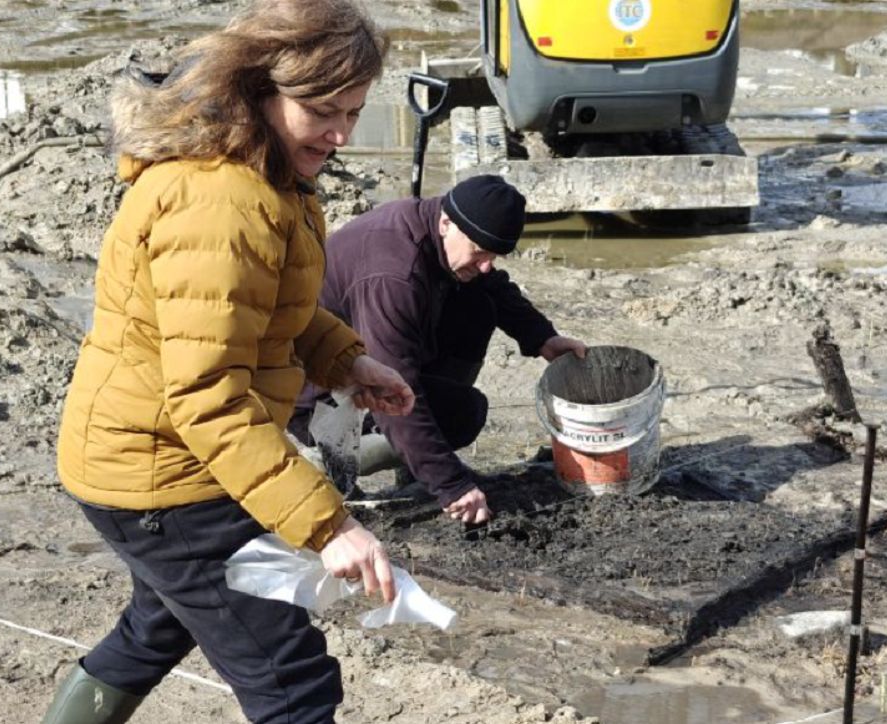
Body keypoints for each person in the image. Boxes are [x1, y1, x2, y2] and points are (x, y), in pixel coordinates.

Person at [42, 3, 414, 723]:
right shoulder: (223, 201)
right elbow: (208, 395)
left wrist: (343, 360)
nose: (340, 135)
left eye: (356, 112)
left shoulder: (264, 169)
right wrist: (331, 527)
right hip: (165, 476)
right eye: (323, 110)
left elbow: (270, 304)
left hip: (144, 459)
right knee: (292, 680)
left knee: (159, 626)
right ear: (262, 90)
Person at [290, 175, 586, 526]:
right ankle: (325, 459)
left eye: (494, 255)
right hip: (316, 401)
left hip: (364, 367)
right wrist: (452, 484)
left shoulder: (438, 226)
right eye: (480, 251)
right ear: (447, 223)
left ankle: (416, 464)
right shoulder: (393, 276)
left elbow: (492, 284)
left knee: (476, 302)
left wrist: (542, 338)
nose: (487, 264)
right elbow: (391, 390)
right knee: (463, 414)